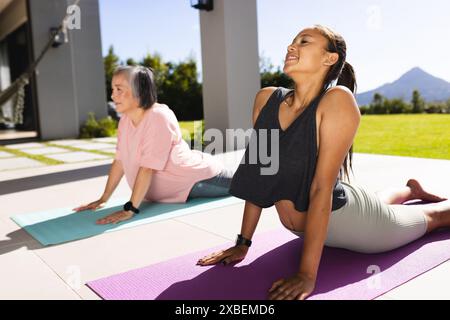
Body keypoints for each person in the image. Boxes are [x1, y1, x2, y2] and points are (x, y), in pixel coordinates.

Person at [196, 24, 449, 300]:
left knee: (433, 217)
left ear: (330, 58)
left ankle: (415, 197)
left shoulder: (338, 100)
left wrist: (307, 274)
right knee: (377, 201)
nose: (291, 47)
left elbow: (321, 189)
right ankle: (411, 190)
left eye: (304, 42)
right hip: (318, 218)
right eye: (292, 41)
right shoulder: (266, 99)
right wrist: (242, 244)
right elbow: (260, 174)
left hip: (356, 223)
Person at [73, 65, 234, 224]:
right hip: (171, 190)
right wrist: (103, 198)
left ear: (138, 90)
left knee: (250, 185)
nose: (113, 96)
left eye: (119, 89)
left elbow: (147, 168)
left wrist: (130, 209)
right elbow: (119, 161)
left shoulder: (158, 117)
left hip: (199, 179)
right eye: (112, 89)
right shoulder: (125, 120)